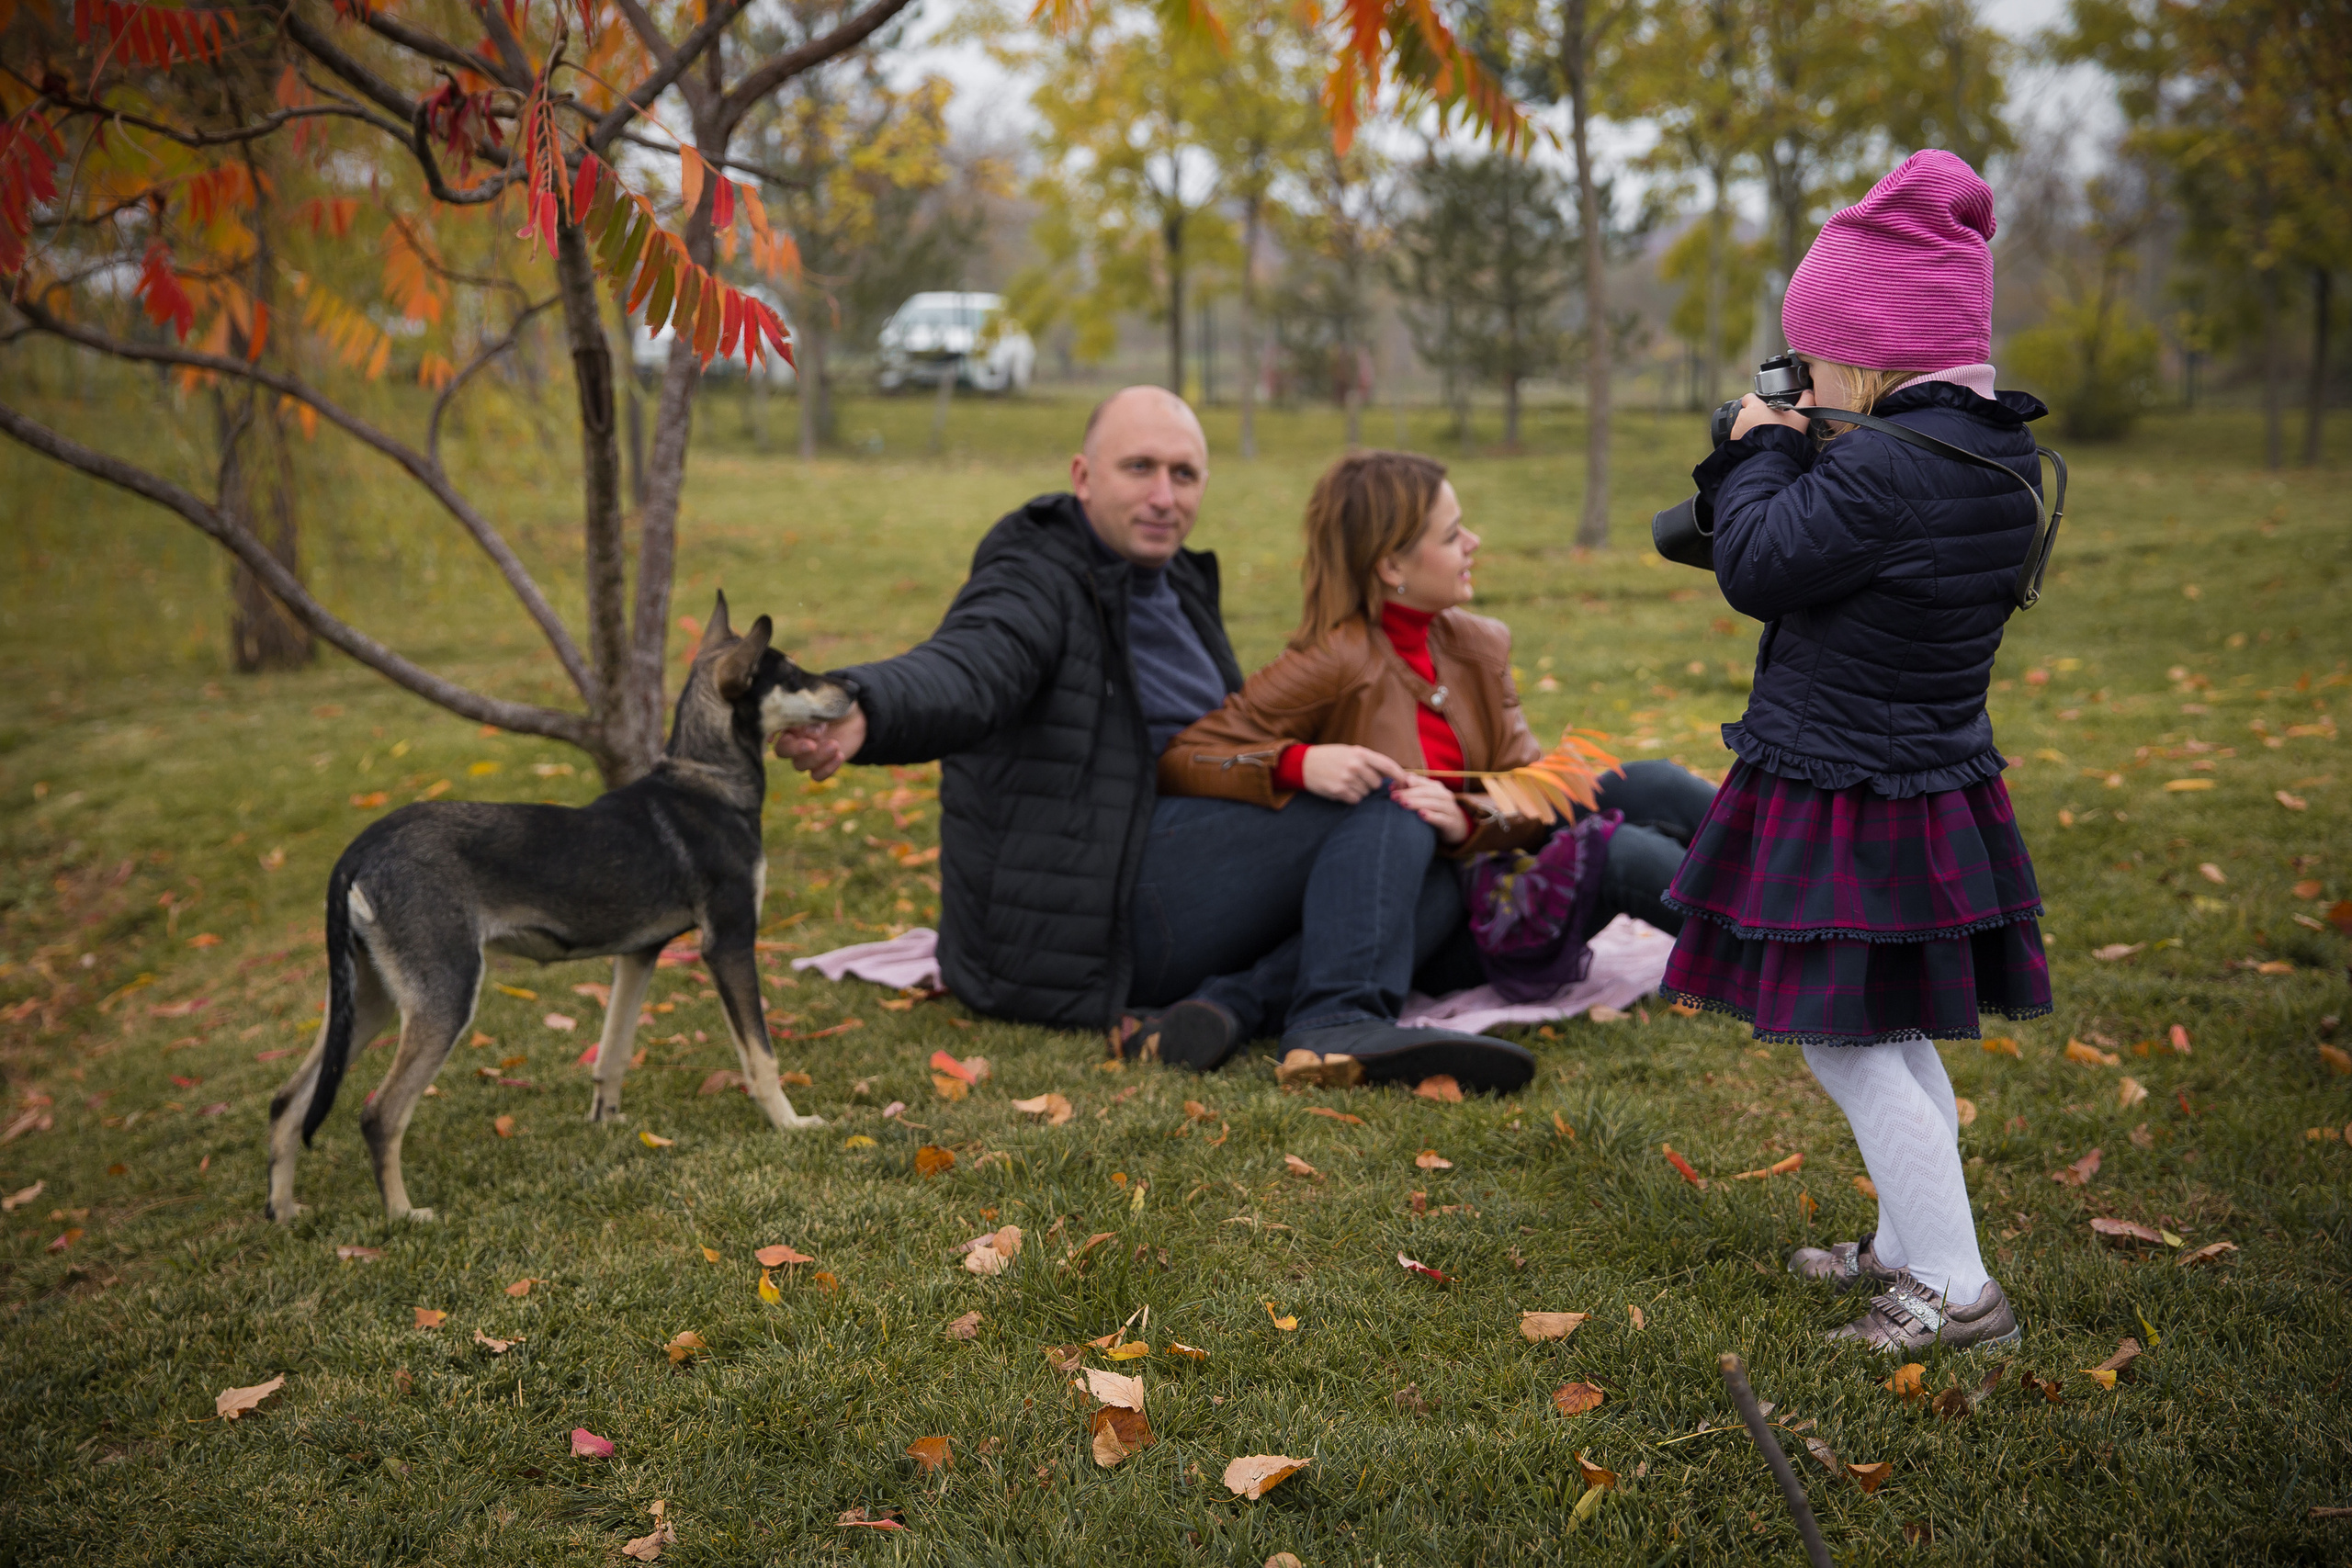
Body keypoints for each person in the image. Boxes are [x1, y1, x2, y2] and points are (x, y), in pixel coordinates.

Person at [773, 386, 1532, 1089]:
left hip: (1171, 872)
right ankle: (1336, 1020)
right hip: (1089, 921)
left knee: (1416, 871)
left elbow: (1216, 743)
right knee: (1393, 805)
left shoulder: (1176, 582)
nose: (1164, 497)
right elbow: (974, 664)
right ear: (1083, 475)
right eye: (1139, 468)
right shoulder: (1038, 575)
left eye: (1185, 474)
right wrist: (867, 706)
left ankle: (1233, 1007)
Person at [1660, 150, 2051, 1354]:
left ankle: (1954, 1284)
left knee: (1846, 1033)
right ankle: (1905, 1245)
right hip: (1921, 773)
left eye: (1816, 365)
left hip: (1848, 780)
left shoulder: (1882, 462)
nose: (1808, 384)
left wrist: (1762, 443)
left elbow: (1762, 565)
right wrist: (1777, 450)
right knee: (1889, 1019)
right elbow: (1756, 545)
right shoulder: (1988, 457)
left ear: (1871, 361)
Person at [1156, 449, 1720, 1087]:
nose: (1473, 543)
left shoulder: (1477, 645)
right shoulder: (1332, 661)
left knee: (1647, 783)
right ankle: (1766, 963)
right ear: (1391, 564)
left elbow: (1526, 792)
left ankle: (1789, 899)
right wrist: (1298, 762)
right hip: (1426, 914)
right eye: (1452, 535)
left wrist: (1467, 820)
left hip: (1483, 862)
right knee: (1620, 856)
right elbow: (1186, 756)